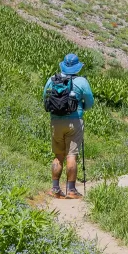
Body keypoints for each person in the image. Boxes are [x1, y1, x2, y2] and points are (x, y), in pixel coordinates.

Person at [43, 53, 94, 199]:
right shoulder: (82, 81)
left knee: (58, 156)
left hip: (55, 121)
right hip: (74, 121)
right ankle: (71, 190)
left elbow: (44, 98)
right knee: (71, 155)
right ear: (77, 67)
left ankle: (55, 188)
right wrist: (81, 107)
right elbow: (90, 103)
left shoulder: (53, 79)